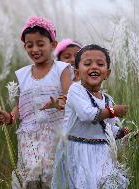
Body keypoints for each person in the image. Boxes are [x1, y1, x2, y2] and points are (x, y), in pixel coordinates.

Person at [0, 16, 72, 189]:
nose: (35, 49)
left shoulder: (61, 69)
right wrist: (10, 117)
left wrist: (59, 101)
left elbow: (70, 96)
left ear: (53, 44)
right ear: (25, 47)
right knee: (31, 176)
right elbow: (21, 106)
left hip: (55, 132)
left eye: (40, 44)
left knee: (52, 177)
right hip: (29, 136)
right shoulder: (23, 74)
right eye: (29, 45)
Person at [51, 44, 130, 189]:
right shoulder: (75, 91)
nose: (94, 67)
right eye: (87, 64)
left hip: (102, 152)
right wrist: (112, 111)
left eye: (100, 64)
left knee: (108, 184)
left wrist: (124, 133)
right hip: (78, 151)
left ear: (107, 73)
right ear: (77, 72)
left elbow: (108, 129)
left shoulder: (107, 100)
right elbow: (88, 115)